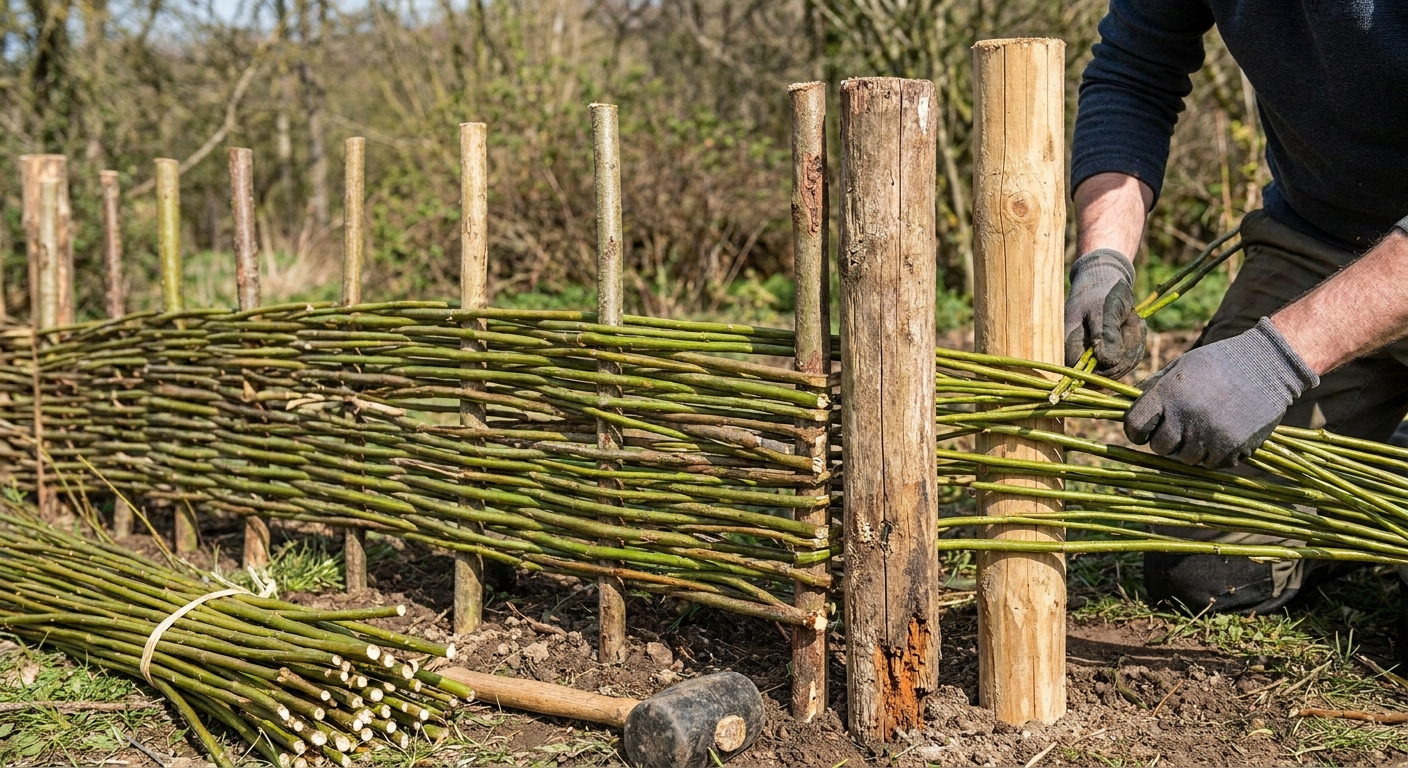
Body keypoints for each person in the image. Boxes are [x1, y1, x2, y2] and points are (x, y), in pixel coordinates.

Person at [1066, 0, 1408, 635]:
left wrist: (1271, 360)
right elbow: (1134, 71)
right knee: (1204, 570)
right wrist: (1103, 259)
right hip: (1321, 236)